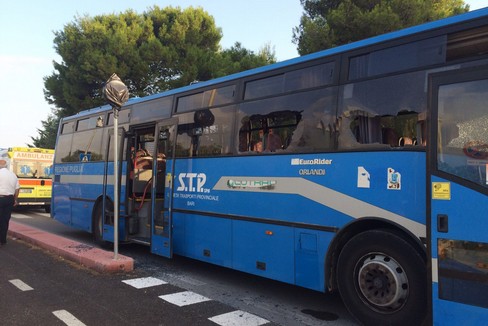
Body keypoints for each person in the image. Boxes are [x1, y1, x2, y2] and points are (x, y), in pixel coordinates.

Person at [0, 159, 20, 245]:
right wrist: (15, 199)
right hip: (9, 199)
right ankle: (3, 239)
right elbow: (17, 189)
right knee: (5, 219)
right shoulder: (13, 175)